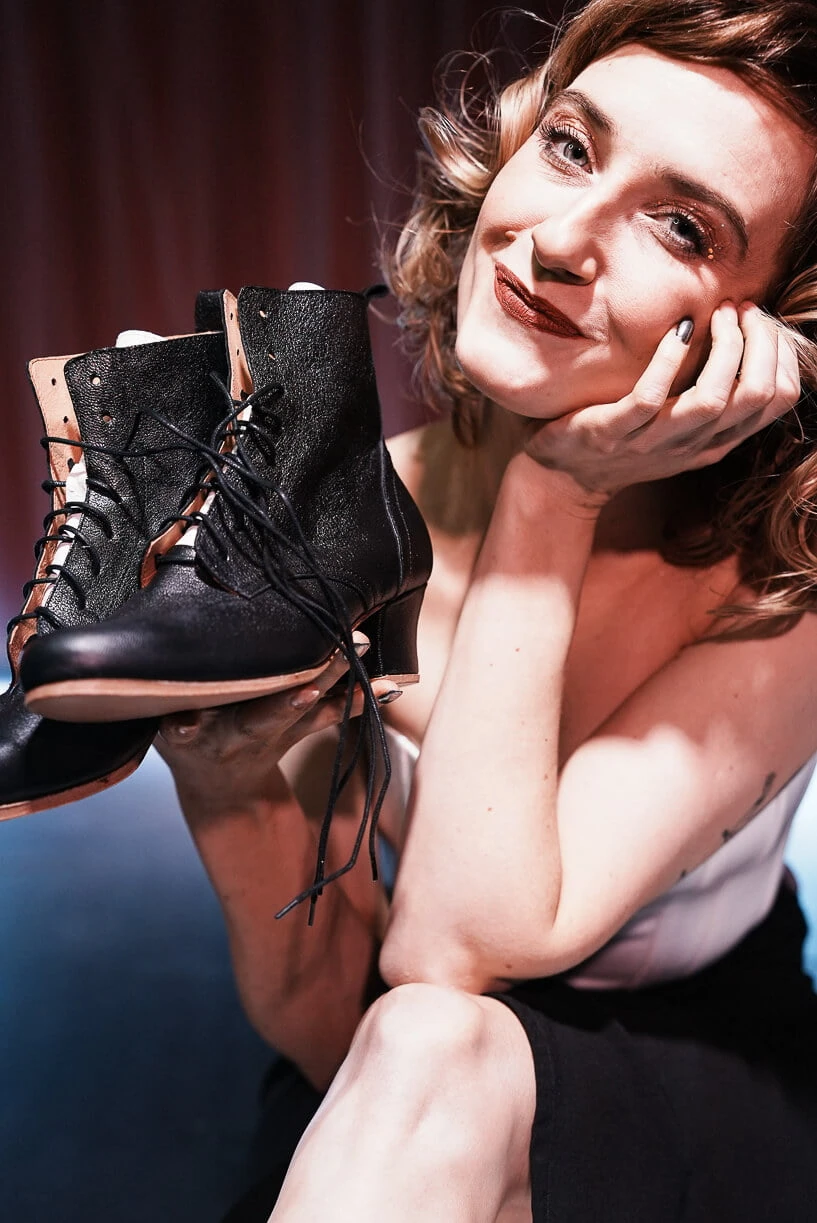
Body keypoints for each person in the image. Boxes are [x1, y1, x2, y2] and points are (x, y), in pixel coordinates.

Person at [157, 1, 817, 1218]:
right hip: (389, 1074)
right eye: (569, 146)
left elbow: (445, 952)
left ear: (776, 334)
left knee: (427, 1043)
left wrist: (551, 497)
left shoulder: (791, 594)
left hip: (695, 1064)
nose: (557, 239)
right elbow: (329, 1018)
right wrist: (222, 774)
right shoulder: (330, 518)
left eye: (680, 225)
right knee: (410, 1054)